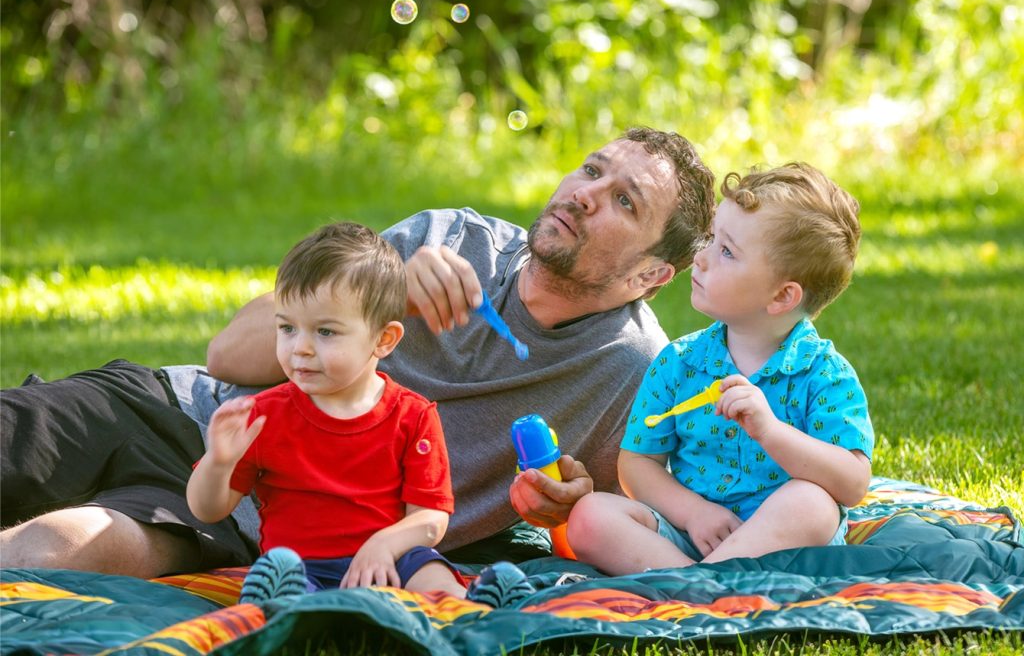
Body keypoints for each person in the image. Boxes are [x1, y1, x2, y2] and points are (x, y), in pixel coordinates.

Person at [0, 127, 715, 578]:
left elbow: (618, 526)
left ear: (654, 276)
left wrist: (563, 506)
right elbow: (228, 354)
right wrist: (384, 291)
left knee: (50, 551)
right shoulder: (449, 238)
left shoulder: (632, 373)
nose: (587, 194)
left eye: (625, 201)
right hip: (178, 411)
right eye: (592, 170)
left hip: (248, 521)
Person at [566, 163, 874, 575]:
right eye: (711, 238)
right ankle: (709, 586)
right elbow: (637, 465)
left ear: (782, 296)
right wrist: (694, 514)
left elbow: (852, 483)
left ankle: (693, 586)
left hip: (783, 546)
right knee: (588, 517)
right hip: (690, 538)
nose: (702, 257)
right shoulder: (679, 362)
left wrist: (770, 431)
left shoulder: (824, 374)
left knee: (812, 504)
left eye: (726, 251)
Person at [186, 221, 469, 601]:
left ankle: (472, 609)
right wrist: (218, 462)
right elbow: (207, 509)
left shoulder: (412, 415)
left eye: (325, 332)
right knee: (277, 580)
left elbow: (431, 519)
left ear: (383, 339)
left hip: (386, 563)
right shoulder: (263, 415)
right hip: (299, 567)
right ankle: (298, 616)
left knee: (430, 568)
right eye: (287, 328)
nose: (299, 348)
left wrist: (383, 545)